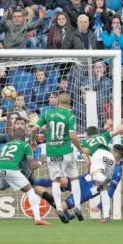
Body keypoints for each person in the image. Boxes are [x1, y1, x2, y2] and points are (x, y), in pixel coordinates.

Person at [30, 92, 90, 223]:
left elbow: (33, 129)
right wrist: (81, 149)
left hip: (51, 153)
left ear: (57, 102)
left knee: (56, 181)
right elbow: (73, 136)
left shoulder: (47, 114)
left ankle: (58, 208)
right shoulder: (70, 116)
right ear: (69, 104)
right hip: (66, 152)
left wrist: (33, 141)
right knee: (74, 180)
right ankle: (78, 207)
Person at [0, 127, 49, 225]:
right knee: (30, 190)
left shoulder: (4, 146)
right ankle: (38, 219)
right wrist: (41, 161)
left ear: (13, 136)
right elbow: (32, 166)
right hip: (11, 168)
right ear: (24, 137)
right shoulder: (25, 145)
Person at [80, 119, 123, 222]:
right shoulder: (104, 135)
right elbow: (119, 130)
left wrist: (91, 172)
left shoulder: (85, 142)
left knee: (96, 176)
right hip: (110, 157)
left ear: (88, 135)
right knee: (104, 188)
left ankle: (104, 179)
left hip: (98, 155)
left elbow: (87, 162)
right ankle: (106, 216)